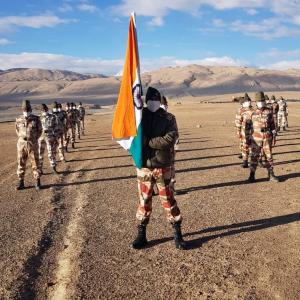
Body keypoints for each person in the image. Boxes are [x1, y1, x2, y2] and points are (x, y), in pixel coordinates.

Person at [132, 87, 186, 250]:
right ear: (145, 101)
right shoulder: (140, 118)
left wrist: (148, 142)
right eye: (150, 100)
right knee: (144, 200)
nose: (153, 103)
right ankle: (141, 235)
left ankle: (177, 234)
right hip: (145, 167)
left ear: (160, 100)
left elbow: (169, 139)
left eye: (156, 100)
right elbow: (135, 137)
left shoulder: (169, 118)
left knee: (168, 200)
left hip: (163, 167)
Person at [246, 92, 279, 183]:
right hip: (255, 139)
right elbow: (247, 127)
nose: (261, 102)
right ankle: (251, 175)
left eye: (262, 100)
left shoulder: (269, 111)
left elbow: (272, 125)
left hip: (267, 137)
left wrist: (273, 136)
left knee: (269, 157)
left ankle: (271, 175)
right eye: (259, 101)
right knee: (254, 157)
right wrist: (247, 139)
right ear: (255, 102)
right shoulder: (251, 112)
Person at [15, 100, 42, 190]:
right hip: (21, 144)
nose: (26, 111)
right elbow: (17, 131)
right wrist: (22, 139)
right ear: (22, 109)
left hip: (32, 143)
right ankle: (21, 182)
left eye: (27, 109)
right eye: (24, 109)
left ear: (30, 109)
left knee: (35, 162)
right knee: (21, 163)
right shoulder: (18, 119)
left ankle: (38, 182)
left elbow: (40, 131)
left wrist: (33, 139)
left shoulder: (36, 118)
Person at [38, 104, 60, 175]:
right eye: (43, 110)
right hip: (41, 138)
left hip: (50, 137)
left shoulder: (53, 117)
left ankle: (53, 168)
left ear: (47, 109)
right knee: (40, 154)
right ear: (41, 111)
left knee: (51, 153)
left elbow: (56, 128)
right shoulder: (38, 118)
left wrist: (56, 137)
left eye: (45, 109)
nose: (44, 111)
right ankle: (40, 169)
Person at [235, 93, 254, 168]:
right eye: (247, 101)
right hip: (244, 132)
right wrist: (238, 131)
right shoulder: (241, 111)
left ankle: (257, 161)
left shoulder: (254, 110)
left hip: (254, 131)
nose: (249, 102)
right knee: (245, 146)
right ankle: (245, 161)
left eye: (249, 101)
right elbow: (238, 122)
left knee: (254, 147)